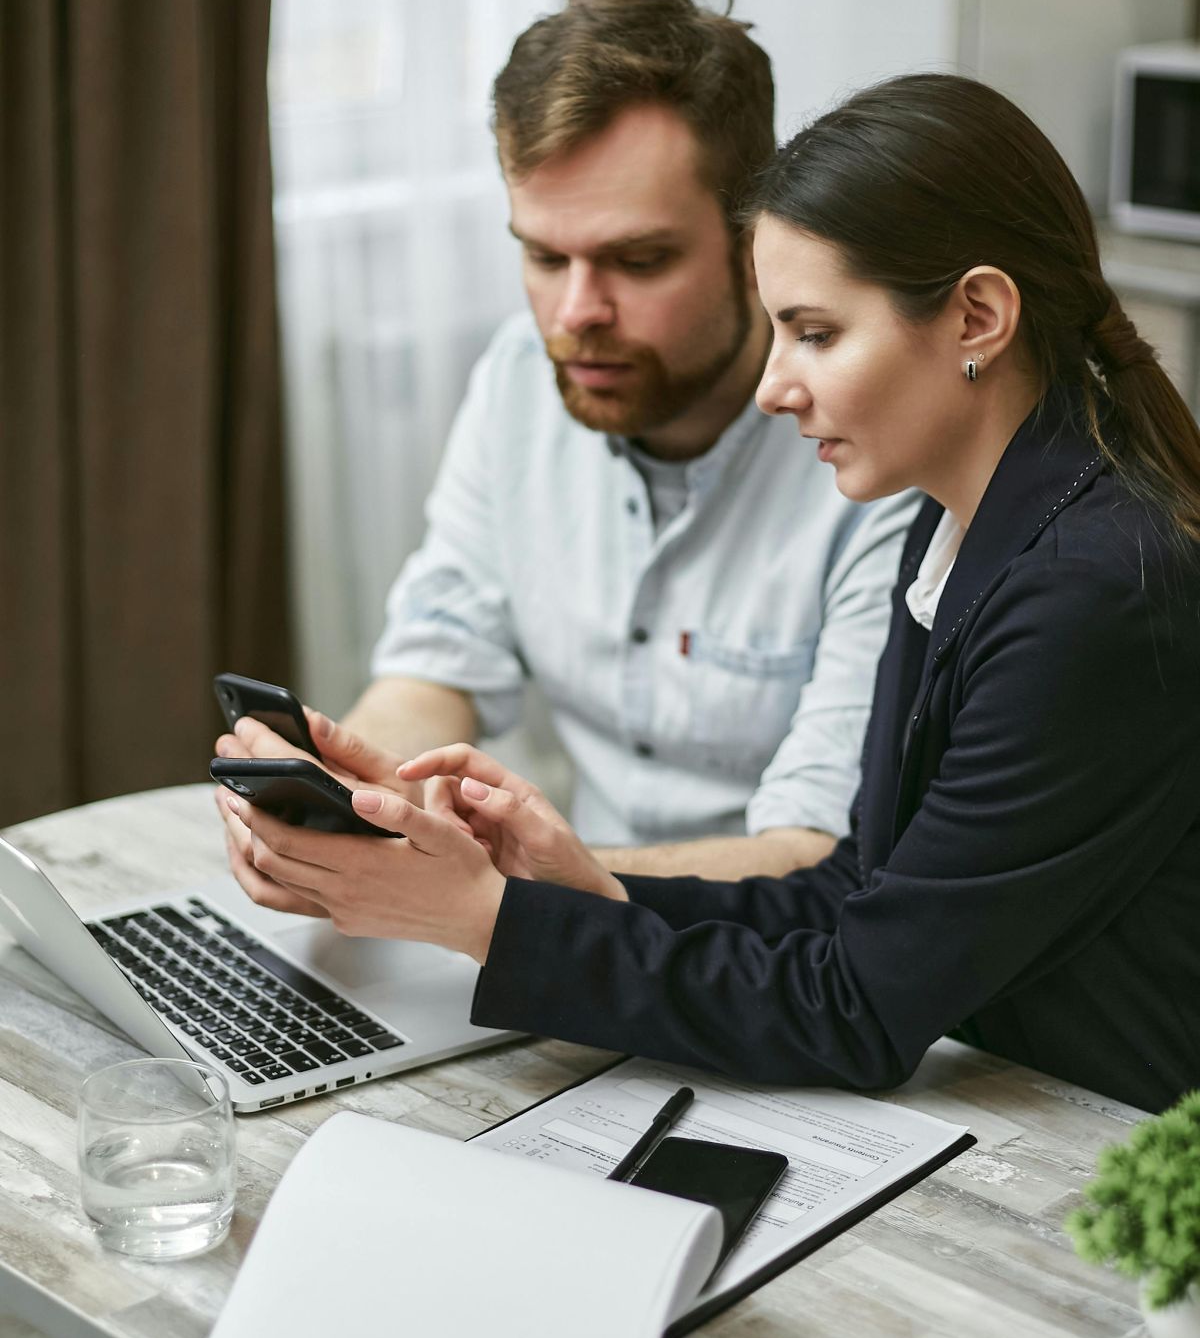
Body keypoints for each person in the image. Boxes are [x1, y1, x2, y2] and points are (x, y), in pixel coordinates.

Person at [217, 72, 1200, 1115]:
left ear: (978, 318)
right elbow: (857, 893)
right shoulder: (961, 517)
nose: (776, 387)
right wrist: (563, 887)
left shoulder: (1093, 592)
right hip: (1020, 1103)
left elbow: (858, 1008)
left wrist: (483, 920)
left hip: (1110, 1157)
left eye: (816, 333)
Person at [337, 0, 916, 881]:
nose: (576, 314)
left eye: (638, 261)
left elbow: (816, 855)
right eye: (541, 255)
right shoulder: (520, 380)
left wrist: (512, 887)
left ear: (753, 238)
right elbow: (442, 655)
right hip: (576, 924)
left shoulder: (879, 453)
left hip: (781, 963)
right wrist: (349, 794)